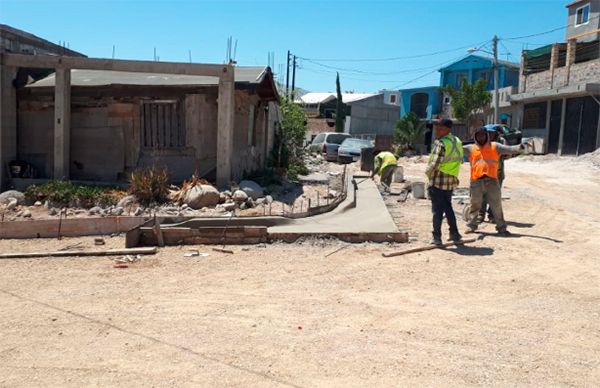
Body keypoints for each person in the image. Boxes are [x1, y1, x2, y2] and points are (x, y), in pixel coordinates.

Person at [463, 127, 529, 236]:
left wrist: (521, 147)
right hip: (476, 182)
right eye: (478, 135)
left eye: (483, 135)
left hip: (492, 181)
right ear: (475, 136)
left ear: (486, 136)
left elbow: (510, 149)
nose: (480, 137)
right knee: (475, 205)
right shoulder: (471, 148)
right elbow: (456, 149)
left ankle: (501, 228)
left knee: (496, 205)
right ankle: (471, 226)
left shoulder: (495, 146)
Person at [425, 118, 464, 245]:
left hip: (438, 180)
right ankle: (455, 234)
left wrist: (428, 175)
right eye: (437, 127)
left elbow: (434, 164)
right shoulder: (457, 141)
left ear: (447, 129)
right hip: (451, 180)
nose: (437, 130)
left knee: (437, 210)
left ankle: (436, 237)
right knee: (448, 207)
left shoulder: (441, 143)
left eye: (440, 128)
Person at [478, 125, 506, 223]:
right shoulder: (481, 141)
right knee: (483, 195)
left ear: (495, 133)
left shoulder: (501, 142)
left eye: (492, 133)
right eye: (488, 133)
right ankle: (480, 215)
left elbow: (507, 153)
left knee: (495, 196)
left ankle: (492, 215)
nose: (490, 135)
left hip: (498, 173)